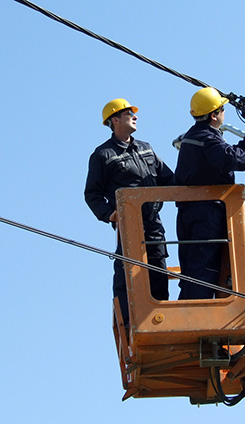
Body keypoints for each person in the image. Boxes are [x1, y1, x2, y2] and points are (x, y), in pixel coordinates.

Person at [174, 87, 245, 300]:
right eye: (222, 109)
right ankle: (197, 317)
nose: (225, 112)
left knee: (196, 269)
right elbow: (228, 157)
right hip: (204, 214)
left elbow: (230, 154)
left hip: (194, 213)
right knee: (203, 270)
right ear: (214, 115)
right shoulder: (206, 139)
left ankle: (194, 312)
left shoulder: (198, 136)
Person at [84, 98, 174, 324]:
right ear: (115, 120)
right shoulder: (103, 155)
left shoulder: (146, 148)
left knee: (158, 271)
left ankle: (160, 321)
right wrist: (109, 214)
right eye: (128, 114)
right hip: (129, 224)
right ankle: (129, 322)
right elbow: (92, 193)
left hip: (154, 223)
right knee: (129, 273)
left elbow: (169, 179)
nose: (135, 117)